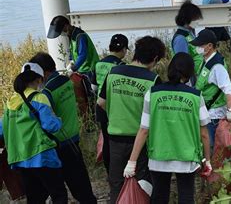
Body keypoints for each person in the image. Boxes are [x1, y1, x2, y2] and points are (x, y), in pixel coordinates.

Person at [123, 52, 212, 204]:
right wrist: (207, 160)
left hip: (159, 154)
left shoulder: (153, 93)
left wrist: (132, 162)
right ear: (190, 72)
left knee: (159, 195)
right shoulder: (196, 96)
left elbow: (144, 129)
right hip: (187, 155)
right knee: (186, 195)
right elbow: (204, 133)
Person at [97, 36, 166, 203]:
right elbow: (157, 115)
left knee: (117, 184)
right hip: (140, 140)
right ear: (155, 59)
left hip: (114, 138)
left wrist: (116, 114)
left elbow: (101, 103)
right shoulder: (153, 80)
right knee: (142, 184)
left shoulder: (113, 72)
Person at [30, 52, 97, 204]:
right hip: (73, 139)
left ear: (44, 72)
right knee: (83, 188)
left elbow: (46, 121)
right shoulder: (66, 81)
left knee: (55, 190)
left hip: (59, 145)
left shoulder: (47, 92)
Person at [2, 63, 68, 203]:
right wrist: (59, 120)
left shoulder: (10, 103)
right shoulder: (39, 98)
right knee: (58, 194)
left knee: (34, 198)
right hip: (42, 155)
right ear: (39, 79)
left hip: (21, 159)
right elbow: (50, 126)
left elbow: (3, 129)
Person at [190, 29, 231, 150]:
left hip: (214, 115)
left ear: (210, 46)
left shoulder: (217, 66)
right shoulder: (205, 61)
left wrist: (230, 111)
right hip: (206, 112)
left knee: (212, 147)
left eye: (200, 45)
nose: (197, 48)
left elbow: (228, 88)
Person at [94, 33, 128, 173]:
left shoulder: (99, 63)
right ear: (124, 49)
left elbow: (94, 86)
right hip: (114, 106)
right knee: (119, 141)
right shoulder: (121, 66)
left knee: (107, 141)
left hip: (100, 105)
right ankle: (121, 169)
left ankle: (110, 171)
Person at [47, 15, 99, 79]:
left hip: (90, 70)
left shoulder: (80, 36)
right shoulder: (72, 35)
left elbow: (82, 55)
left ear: (66, 26)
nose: (62, 33)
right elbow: (73, 52)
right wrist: (71, 63)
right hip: (82, 70)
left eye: (62, 30)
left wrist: (72, 69)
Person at [172, 1, 204, 80]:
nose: (197, 21)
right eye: (195, 18)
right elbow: (182, 64)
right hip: (189, 80)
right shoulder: (180, 38)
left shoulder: (189, 33)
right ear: (187, 19)